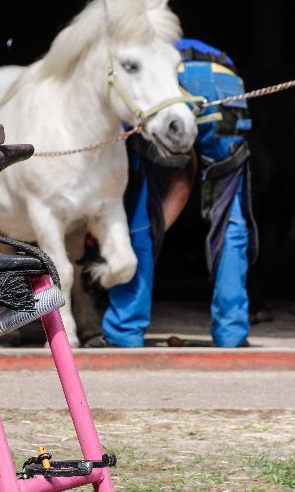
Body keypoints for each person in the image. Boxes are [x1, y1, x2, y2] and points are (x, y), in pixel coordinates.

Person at [86, 38, 258, 348]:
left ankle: (124, 331)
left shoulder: (140, 58)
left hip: (172, 85)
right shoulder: (201, 48)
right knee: (230, 215)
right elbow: (186, 174)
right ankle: (232, 332)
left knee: (140, 207)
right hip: (226, 85)